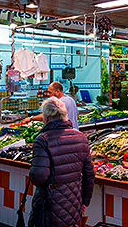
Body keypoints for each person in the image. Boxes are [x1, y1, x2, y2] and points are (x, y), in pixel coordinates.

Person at [28, 97, 95, 227]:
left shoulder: (42, 140)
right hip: (74, 203)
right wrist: (85, 201)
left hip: (49, 204)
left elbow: (38, 177)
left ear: (45, 118)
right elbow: (89, 174)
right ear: (64, 115)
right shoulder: (81, 137)